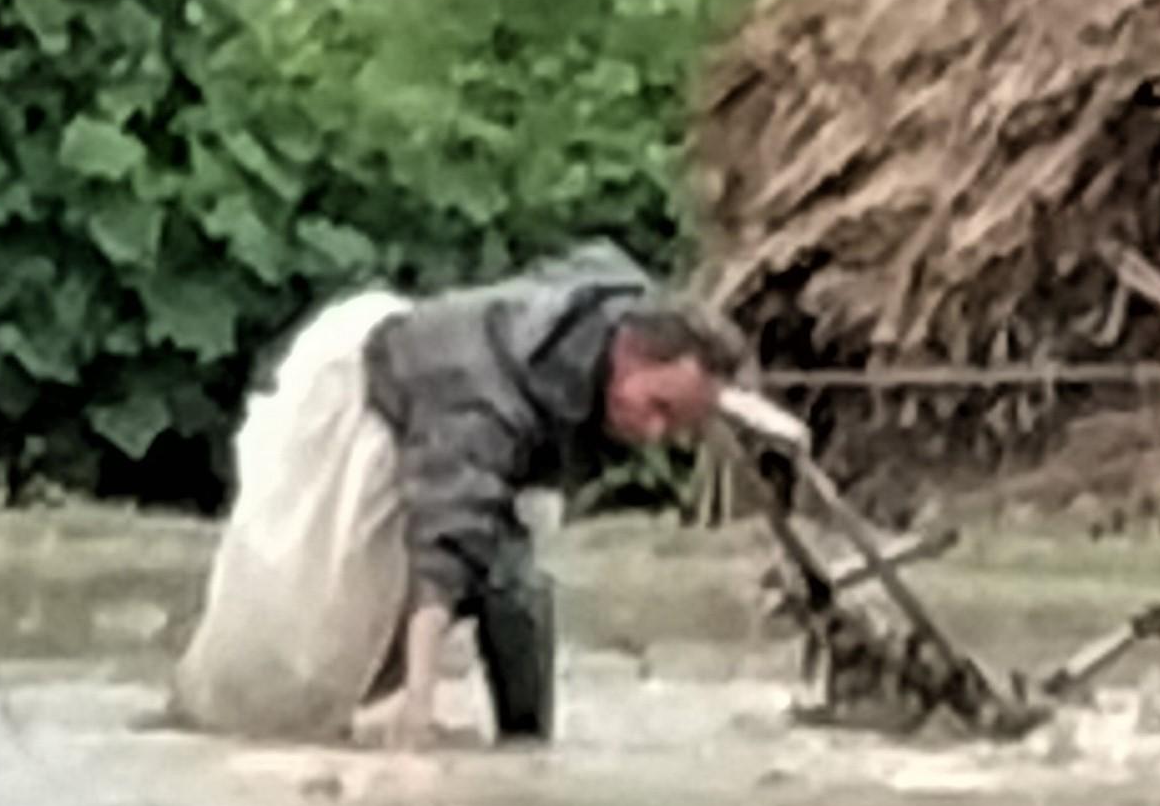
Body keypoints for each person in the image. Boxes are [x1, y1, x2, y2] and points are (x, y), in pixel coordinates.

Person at [168, 240, 789, 746]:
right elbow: (446, 549)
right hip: (362, 412)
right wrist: (419, 706)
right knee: (304, 653)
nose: (656, 434)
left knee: (513, 578)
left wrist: (741, 405)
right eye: (656, 409)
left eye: (676, 421)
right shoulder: (484, 400)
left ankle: (526, 743)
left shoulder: (618, 307)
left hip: (447, 383)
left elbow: (654, 314)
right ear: (624, 353)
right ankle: (232, 719)